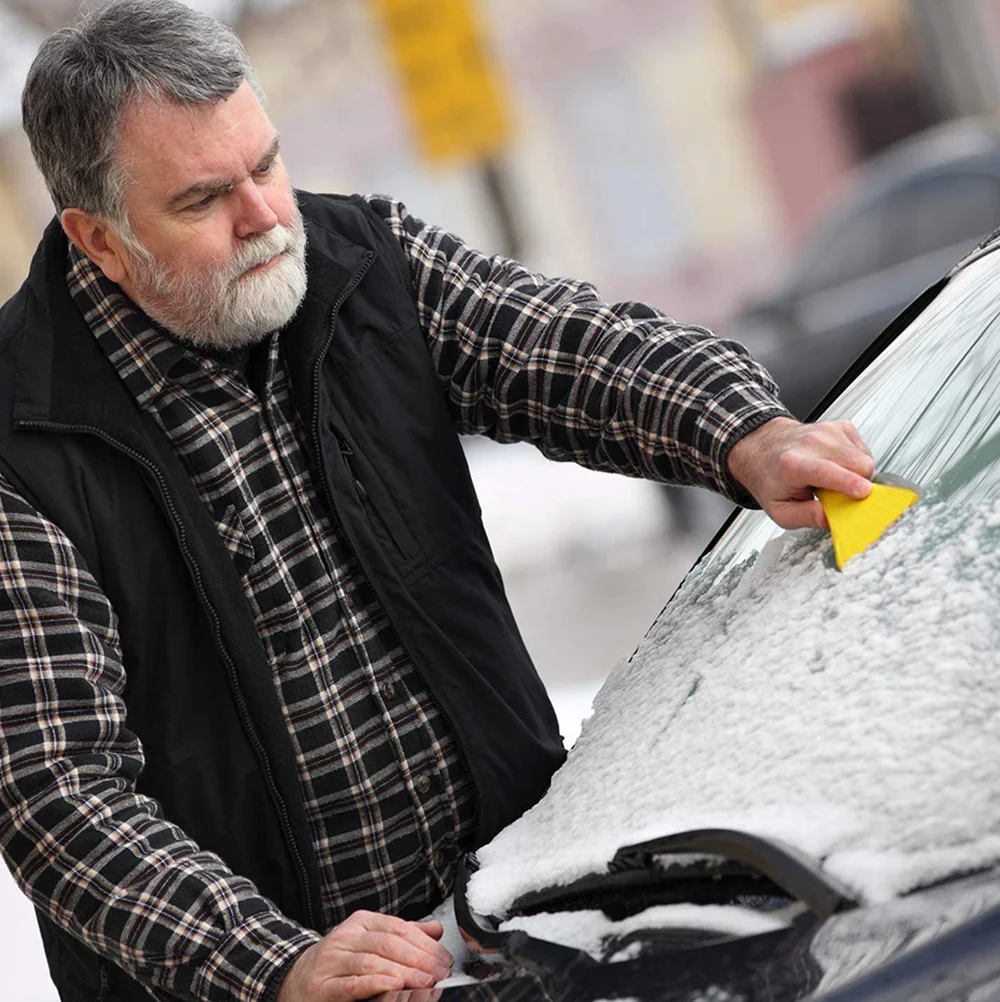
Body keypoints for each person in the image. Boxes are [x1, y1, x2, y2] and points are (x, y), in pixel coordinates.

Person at [0, 2, 876, 1000]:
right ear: (99, 243)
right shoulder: (22, 444)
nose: (264, 217)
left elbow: (561, 347)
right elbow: (56, 790)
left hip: (513, 923)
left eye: (266, 164)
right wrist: (277, 966)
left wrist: (742, 430)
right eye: (204, 201)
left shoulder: (360, 260)